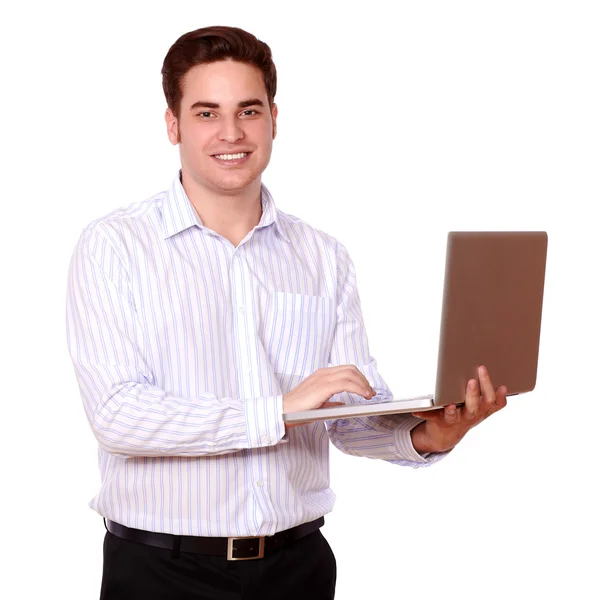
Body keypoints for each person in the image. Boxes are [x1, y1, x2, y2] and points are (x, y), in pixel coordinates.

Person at [65, 25, 507, 600]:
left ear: (273, 117)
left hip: (298, 568)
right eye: (206, 113)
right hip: (162, 571)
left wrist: (431, 433)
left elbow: (345, 418)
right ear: (172, 124)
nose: (231, 132)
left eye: (248, 110)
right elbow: (118, 416)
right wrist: (277, 409)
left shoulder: (322, 258)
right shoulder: (114, 247)